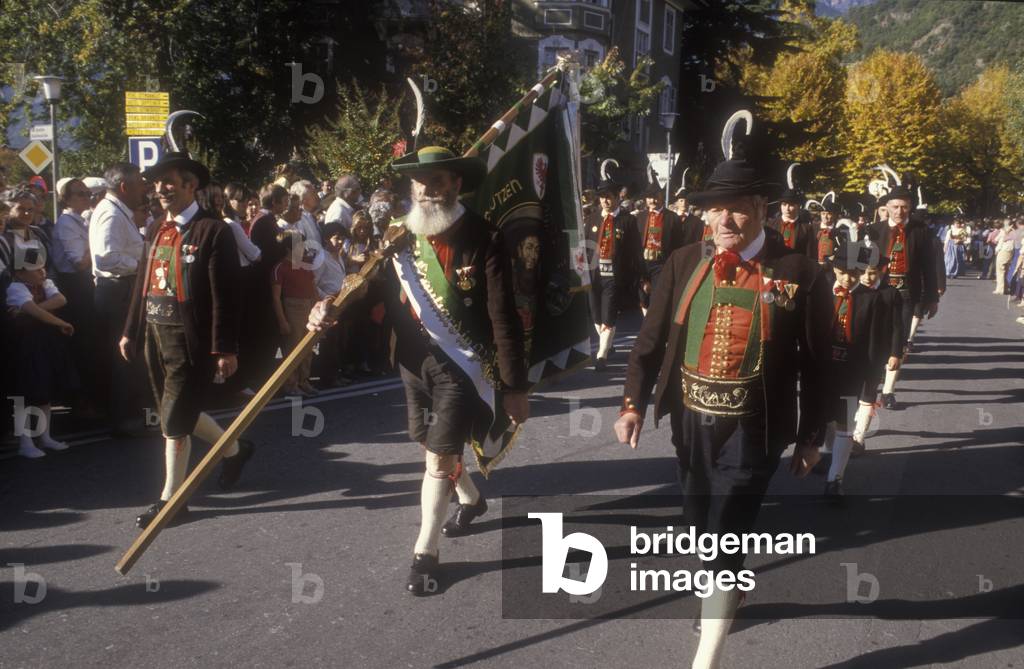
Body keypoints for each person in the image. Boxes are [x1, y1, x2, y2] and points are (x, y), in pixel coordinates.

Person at [614, 131, 831, 669]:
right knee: (697, 522)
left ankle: (705, 656)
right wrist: (632, 403)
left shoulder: (802, 273)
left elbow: (821, 364)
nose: (724, 223)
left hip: (754, 428)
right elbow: (651, 338)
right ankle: (721, 587)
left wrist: (811, 436)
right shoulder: (686, 258)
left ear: (761, 208)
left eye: (736, 211)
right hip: (688, 418)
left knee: (727, 529)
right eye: (716, 212)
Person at [307, 145, 529, 596]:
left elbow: (503, 313)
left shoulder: (484, 236)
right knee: (425, 439)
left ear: (456, 185)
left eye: (439, 180)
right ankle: (471, 498)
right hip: (411, 361)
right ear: (412, 188)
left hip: (460, 365)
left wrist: (514, 384)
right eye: (420, 182)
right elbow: (365, 290)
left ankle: (425, 552)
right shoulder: (396, 235)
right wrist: (327, 308)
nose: (428, 190)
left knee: (438, 456)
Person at [119, 152, 253, 529]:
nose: (160, 189)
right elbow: (142, 285)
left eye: (169, 181)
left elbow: (225, 296)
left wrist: (224, 348)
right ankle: (237, 450)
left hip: (189, 339)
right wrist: (130, 329)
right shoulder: (154, 229)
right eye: (157, 182)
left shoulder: (214, 230)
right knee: (173, 412)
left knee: (175, 418)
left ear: (191, 185)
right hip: (154, 334)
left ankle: (172, 500)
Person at [819, 236, 887, 500]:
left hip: (852, 372)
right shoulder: (821, 292)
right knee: (825, 418)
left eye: (855, 273)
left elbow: (875, 343)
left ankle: (835, 479)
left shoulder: (872, 299)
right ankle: (826, 454)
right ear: (834, 270)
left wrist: (871, 379)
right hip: (822, 369)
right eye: (843, 273)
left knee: (845, 422)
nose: (848, 279)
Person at [89, 163, 148, 434]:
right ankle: (125, 419)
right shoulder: (111, 213)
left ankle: (128, 415)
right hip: (117, 291)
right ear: (124, 187)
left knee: (127, 355)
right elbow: (106, 257)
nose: (144, 190)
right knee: (124, 355)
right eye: (140, 184)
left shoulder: (117, 210)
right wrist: (141, 265)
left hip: (121, 290)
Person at [872, 185, 939, 409]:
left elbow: (929, 267)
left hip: (907, 293)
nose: (899, 211)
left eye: (904, 207)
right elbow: (861, 263)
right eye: (895, 207)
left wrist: (932, 297)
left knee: (898, 341)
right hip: (878, 293)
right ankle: (870, 382)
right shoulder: (874, 230)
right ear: (887, 208)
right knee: (876, 336)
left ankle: (888, 391)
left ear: (909, 208)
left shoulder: (921, 231)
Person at [6, 251, 77, 458]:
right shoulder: (16, 288)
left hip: (44, 342)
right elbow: (35, 312)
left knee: (44, 388)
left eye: (42, 267)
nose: (41, 272)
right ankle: (25, 442)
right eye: (35, 269)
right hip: (23, 345)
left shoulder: (46, 285)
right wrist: (61, 322)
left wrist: (30, 309)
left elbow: (60, 300)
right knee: (25, 392)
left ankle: (45, 436)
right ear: (20, 273)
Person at [52, 178, 99, 416]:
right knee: (81, 344)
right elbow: (79, 263)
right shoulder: (66, 224)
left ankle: (89, 395)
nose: (87, 197)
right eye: (81, 194)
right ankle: (80, 399)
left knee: (90, 343)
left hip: (83, 286)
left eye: (88, 193)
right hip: (74, 288)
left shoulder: (80, 220)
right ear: (67, 198)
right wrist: (95, 242)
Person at [587, 172, 639, 370]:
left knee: (608, 312)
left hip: (615, 276)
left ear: (618, 197)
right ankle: (606, 343)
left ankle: (601, 356)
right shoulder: (592, 218)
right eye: (602, 197)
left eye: (609, 196)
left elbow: (635, 251)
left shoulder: (628, 221)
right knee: (595, 314)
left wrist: (640, 276)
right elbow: (585, 246)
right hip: (594, 273)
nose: (605, 201)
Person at [271, 230, 319, 397]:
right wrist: (283, 321)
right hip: (292, 308)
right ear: (288, 248)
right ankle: (290, 384)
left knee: (307, 348)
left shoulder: (305, 265)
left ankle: (303, 381)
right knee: (293, 349)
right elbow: (276, 297)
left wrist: (318, 307)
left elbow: (313, 290)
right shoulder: (280, 268)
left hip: (308, 308)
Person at [635, 185, 685, 316]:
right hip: (642, 263)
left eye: (655, 197)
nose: (652, 201)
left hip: (661, 263)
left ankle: (651, 326)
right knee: (643, 298)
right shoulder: (640, 217)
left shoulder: (672, 218)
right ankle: (648, 320)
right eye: (649, 198)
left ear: (661, 197)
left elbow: (679, 244)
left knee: (657, 297)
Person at [767, 186, 813, 255]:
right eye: (784, 205)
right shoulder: (770, 225)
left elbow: (809, 253)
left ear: (798, 206)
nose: (787, 208)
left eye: (791, 205)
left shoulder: (806, 228)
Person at [290, 179, 323, 248]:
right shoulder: (299, 221)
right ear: (303, 200)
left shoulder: (310, 216)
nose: (317, 196)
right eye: (313, 193)